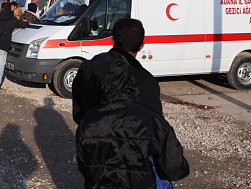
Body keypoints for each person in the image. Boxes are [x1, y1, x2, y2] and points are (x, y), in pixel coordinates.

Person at [75, 50, 190, 188]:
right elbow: (175, 170)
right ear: (128, 77)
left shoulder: (88, 122)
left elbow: (85, 168)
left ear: (96, 82)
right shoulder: (151, 118)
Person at [73, 18, 162, 124]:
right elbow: (155, 123)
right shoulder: (148, 81)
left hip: (92, 136)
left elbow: (78, 114)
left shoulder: (88, 68)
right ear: (141, 46)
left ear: (112, 41)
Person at [0, 2, 29, 90]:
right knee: (0, 65)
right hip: (3, 44)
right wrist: (26, 22)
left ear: (2, 9)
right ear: (11, 9)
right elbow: (23, 25)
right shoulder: (13, 19)